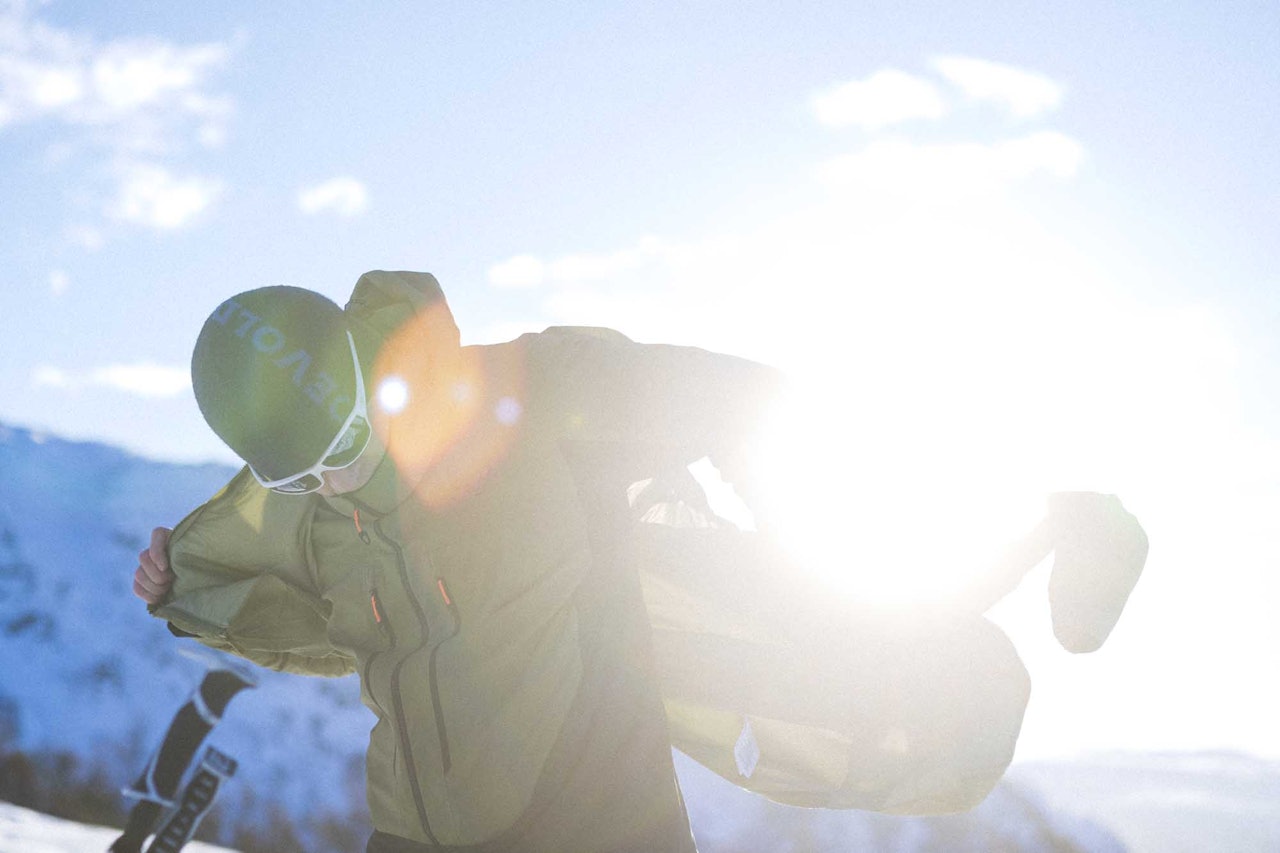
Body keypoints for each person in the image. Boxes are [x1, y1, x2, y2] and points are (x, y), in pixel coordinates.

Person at [134, 270, 1148, 852]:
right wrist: (188, 596)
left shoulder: (539, 398)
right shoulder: (324, 516)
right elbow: (342, 639)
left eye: (350, 441)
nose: (339, 480)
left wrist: (797, 563)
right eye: (307, 476)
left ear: (366, 370)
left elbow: (750, 403)